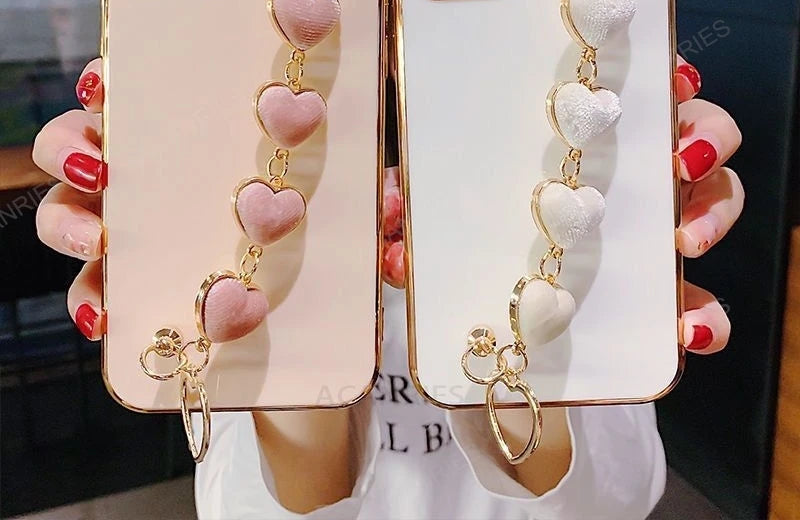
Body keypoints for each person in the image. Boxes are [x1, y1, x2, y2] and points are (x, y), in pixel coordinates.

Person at [32, 54, 742, 519]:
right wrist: (293, 286)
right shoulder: (244, 184)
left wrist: (602, 195)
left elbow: (612, 499)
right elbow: (256, 505)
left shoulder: (547, 174)